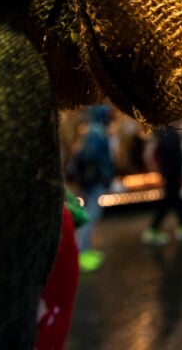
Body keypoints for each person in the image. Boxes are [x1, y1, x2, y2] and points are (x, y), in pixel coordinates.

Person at [67, 106, 115, 271]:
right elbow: (95, 157)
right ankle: (81, 252)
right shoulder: (97, 134)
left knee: (90, 213)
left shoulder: (90, 132)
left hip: (89, 181)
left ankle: (84, 250)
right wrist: (104, 173)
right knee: (91, 215)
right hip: (94, 181)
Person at [142, 123, 182, 244]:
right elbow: (174, 155)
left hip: (168, 172)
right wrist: (181, 172)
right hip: (172, 173)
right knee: (168, 201)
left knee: (175, 200)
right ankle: (153, 229)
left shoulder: (164, 132)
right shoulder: (171, 134)